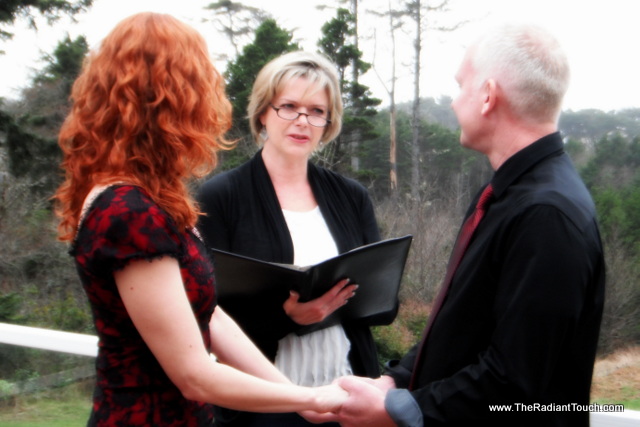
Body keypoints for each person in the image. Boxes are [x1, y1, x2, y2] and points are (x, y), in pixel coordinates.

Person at [53, 13, 348, 426]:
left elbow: (210, 316)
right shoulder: (127, 210)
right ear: (173, 101)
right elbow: (195, 375)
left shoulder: (156, 199)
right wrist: (311, 400)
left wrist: (302, 399)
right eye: (201, 85)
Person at [322, 23, 606, 427]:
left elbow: (513, 384)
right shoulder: (504, 194)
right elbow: (458, 327)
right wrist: (394, 383)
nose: (455, 103)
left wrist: (396, 413)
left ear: (488, 95)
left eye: (461, 87)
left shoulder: (547, 216)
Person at [196, 51, 390, 426]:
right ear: (263, 113)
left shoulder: (352, 196)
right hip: (264, 402)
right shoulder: (221, 197)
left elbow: (380, 300)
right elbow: (205, 313)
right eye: (289, 106)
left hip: (348, 391)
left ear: (328, 122)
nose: (303, 121)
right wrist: (287, 317)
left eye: (317, 111)